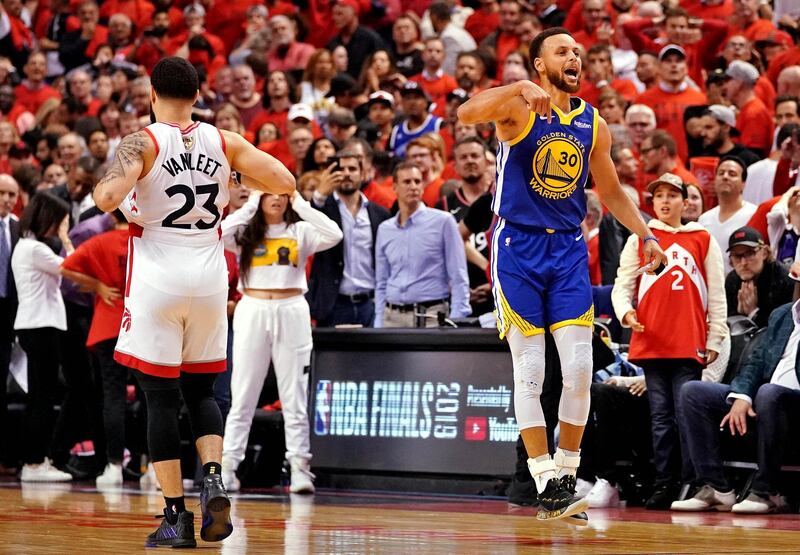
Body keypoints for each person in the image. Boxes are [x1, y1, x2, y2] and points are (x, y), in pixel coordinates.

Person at [457, 27, 666, 520]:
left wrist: (646, 233)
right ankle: (542, 475)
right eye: (562, 51)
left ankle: (567, 473)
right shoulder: (517, 109)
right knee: (531, 370)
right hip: (517, 250)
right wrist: (512, 89)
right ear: (539, 65)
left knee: (577, 368)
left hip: (569, 250)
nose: (574, 57)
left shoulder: (594, 123)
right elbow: (466, 113)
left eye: (577, 52)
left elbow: (611, 190)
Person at [91, 57, 295, 548]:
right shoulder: (222, 140)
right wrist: (240, 185)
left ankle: (174, 517)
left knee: (159, 398)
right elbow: (284, 181)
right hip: (207, 272)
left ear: (151, 94)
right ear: (199, 95)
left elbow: (105, 198)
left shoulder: (141, 140)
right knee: (202, 392)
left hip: (158, 266)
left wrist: (115, 185)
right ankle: (211, 479)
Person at [612, 173, 727, 509]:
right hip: (652, 338)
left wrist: (716, 335)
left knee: (685, 413)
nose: (664, 201)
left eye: (672, 195)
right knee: (660, 417)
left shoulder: (703, 238)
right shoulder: (641, 238)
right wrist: (625, 312)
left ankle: (693, 483)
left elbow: (716, 293)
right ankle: (665, 482)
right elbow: (622, 284)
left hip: (689, 339)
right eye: (658, 196)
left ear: (685, 202)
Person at [220, 189, 342, 493]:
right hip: (253, 307)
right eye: (268, 193)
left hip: (292, 308)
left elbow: (335, 233)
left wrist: (302, 204)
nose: (276, 198)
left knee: (294, 394)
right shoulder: (245, 232)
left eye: (282, 193)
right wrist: (249, 205)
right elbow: (218, 233)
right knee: (243, 394)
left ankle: (300, 467)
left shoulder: (300, 230)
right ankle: (228, 466)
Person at [673, 299, 800, 514]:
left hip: (792, 404)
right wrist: (742, 396)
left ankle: (765, 491)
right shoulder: (783, 314)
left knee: (769, 392)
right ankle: (717, 488)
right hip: (764, 399)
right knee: (693, 392)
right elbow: (756, 362)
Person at [59, 209, 132, 486]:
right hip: (146, 325)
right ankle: (154, 469)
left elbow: (65, 268)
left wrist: (98, 286)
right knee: (155, 397)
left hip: (109, 324)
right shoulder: (148, 241)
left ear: (112, 216)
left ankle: (114, 466)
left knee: (113, 396)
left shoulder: (100, 241)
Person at [12, 191, 75, 482]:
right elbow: (75, 267)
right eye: (59, 222)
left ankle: (32, 460)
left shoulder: (27, 246)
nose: (59, 227)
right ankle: (35, 463)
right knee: (43, 397)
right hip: (41, 325)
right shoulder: (35, 249)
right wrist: (65, 238)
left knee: (39, 395)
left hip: (33, 324)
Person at [374, 162, 471, 328]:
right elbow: (381, 281)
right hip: (391, 317)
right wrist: (378, 320)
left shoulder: (443, 221)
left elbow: (458, 274)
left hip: (431, 316)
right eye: (407, 182)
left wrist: (457, 318)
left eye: (417, 181)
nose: (413, 187)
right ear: (395, 187)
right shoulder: (385, 229)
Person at [309, 151, 391, 327]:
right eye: (341, 169)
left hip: (371, 303)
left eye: (352, 168)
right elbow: (301, 229)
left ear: (363, 174)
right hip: (333, 303)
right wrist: (319, 195)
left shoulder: (380, 214)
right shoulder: (322, 208)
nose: (346, 173)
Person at [725, 226, 794, 328]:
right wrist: (739, 316)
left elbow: (784, 327)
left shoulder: (784, 278)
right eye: (736, 256)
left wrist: (753, 313)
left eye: (750, 253)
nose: (743, 262)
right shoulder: (732, 280)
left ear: (764, 253)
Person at [698, 156, 757, 274]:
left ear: (743, 183)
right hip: (711, 288)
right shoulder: (704, 219)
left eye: (732, 174)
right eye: (721, 173)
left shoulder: (754, 214)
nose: (725, 177)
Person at [0, 173, 18, 475]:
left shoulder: (18, 227)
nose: (6, 199)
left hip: (8, 315)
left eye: (11, 195)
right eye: (1, 193)